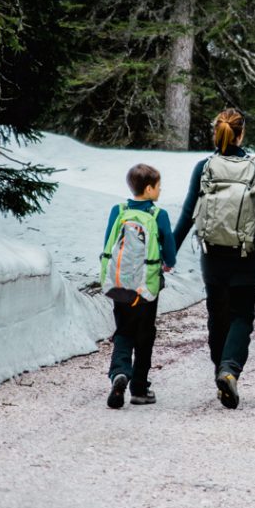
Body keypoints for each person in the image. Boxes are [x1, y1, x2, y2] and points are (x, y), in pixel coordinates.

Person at [173, 108, 255, 409]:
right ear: (241, 133)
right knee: (242, 316)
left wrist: (169, 252)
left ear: (216, 132)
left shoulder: (204, 166)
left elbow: (186, 214)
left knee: (217, 317)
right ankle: (229, 369)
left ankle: (220, 370)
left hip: (212, 255)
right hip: (246, 256)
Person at [102, 163, 176, 409]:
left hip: (120, 283)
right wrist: (167, 263)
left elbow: (108, 243)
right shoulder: (158, 215)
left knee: (123, 330)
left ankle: (120, 373)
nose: (160, 190)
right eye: (158, 186)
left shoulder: (118, 210)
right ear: (148, 188)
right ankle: (139, 389)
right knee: (145, 334)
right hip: (146, 288)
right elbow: (170, 250)